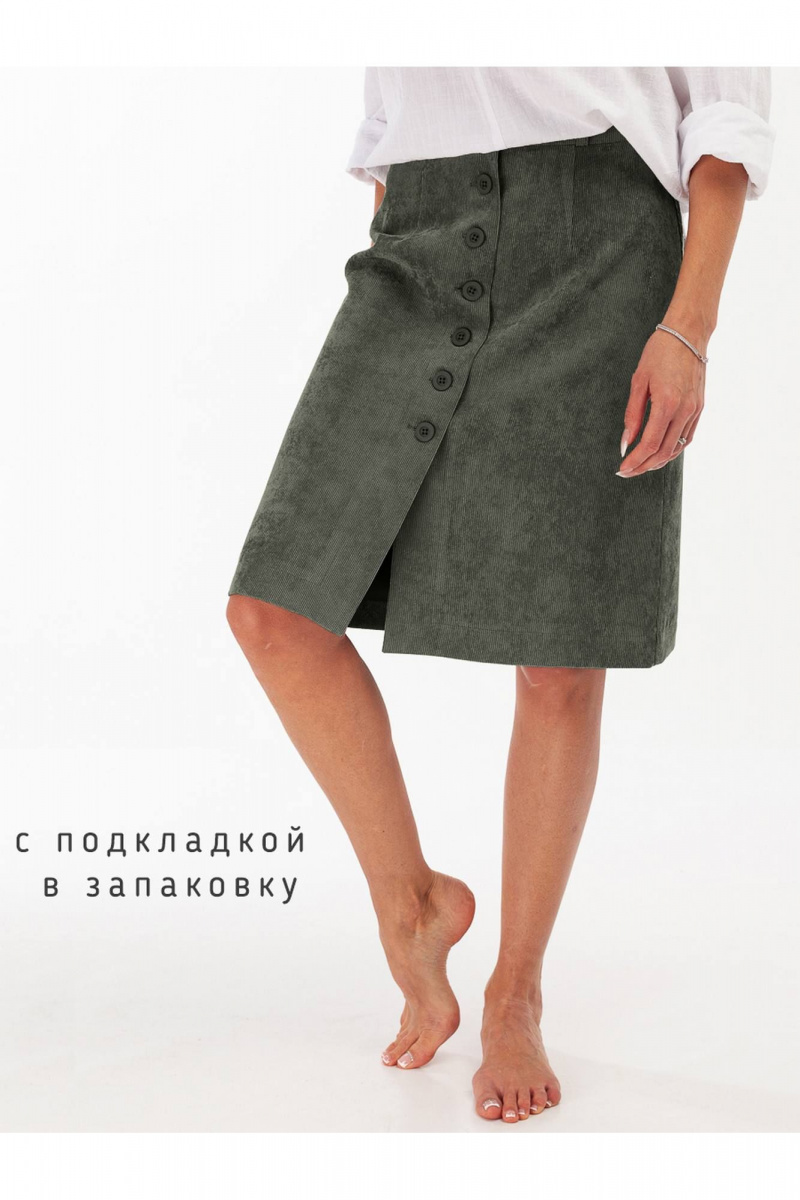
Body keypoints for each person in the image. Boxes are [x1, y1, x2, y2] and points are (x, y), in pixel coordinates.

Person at [226, 67, 775, 1124]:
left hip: (599, 245)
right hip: (419, 239)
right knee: (274, 614)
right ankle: (412, 903)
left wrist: (687, 326)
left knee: (559, 657)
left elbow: (722, 118)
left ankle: (515, 991)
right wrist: (399, 209)